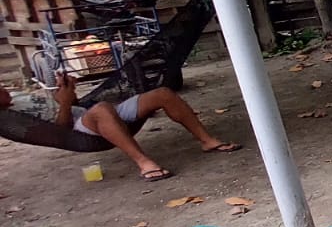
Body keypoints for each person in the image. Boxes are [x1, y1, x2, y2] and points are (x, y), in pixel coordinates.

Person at [0, 73, 241, 180]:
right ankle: (144, 163)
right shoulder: (9, 119)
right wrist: (64, 103)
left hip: (90, 116)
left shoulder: (19, 97)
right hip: (79, 131)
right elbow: (59, 133)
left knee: (162, 93)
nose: (4, 89)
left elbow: (69, 106)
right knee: (102, 108)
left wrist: (67, 92)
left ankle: (207, 141)